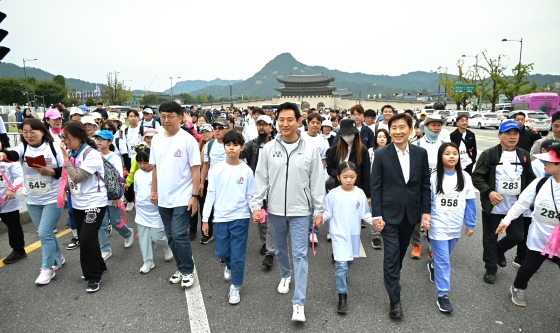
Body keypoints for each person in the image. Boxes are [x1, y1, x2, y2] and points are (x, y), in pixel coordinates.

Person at [251, 102, 325, 322]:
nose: (284, 124)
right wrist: (256, 206)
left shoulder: (310, 149)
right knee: (280, 250)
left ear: (298, 121)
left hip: (301, 210)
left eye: (289, 119)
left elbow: (317, 182)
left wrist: (318, 210)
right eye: (281, 120)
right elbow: (261, 178)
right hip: (275, 210)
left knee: (300, 255)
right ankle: (285, 274)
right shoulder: (270, 149)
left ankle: (298, 303)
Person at [370, 113, 431, 319]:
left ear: (410, 129)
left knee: (400, 254)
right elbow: (375, 187)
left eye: (402, 127)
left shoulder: (420, 154)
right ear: (389, 130)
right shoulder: (381, 155)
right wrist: (376, 215)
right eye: (393, 127)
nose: (397, 131)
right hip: (388, 215)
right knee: (391, 256)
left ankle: (393, 277)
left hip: (410, 214)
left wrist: (426, 211)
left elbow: (424, 185)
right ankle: (394, 300)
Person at [472, 120, 536, 285]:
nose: (512, 137)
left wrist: (530, 197)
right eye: (508, 133)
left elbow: (530, 179)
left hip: (515, 206)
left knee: (518, 235)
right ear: (499, 135)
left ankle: (499, 251)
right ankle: (491, 268)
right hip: (493, 205)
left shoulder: (523, 154)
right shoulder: (490, 154)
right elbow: (477, 176)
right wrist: (489, 192)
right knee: (490, 237)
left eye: (515, 134)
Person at [495, 145, 560, 307]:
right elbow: (522, 203)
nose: (543, 162)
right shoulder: (540, 183)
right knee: (528, 268)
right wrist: (506, 221)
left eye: (549, 161)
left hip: (558, 241)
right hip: (540, 238)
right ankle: (517, 288)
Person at [2, 118, 65, 284]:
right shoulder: (23, 147)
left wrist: (49, 171)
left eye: (32, 131)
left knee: (44, 233)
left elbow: (65, 169)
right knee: (47, 232)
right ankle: (58, 257)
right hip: (32, 198)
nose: (29, 135)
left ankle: (47, 268)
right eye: (25, 132)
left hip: (52, 197)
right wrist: (4, 154)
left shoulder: (54, 147)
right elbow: (12, 154)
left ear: (42, 131)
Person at [149, 101, 200, 289]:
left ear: (180, 117)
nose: (166, 120)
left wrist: (194, 195)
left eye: (170, 116)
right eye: (162, 116)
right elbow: (155, 167)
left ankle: (188, 270)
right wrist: (153, 191)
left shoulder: (188, 140)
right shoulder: (156, 139)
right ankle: (181, 268)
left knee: (179, 234)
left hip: (183, 195)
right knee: (170, 236)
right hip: (164, 197)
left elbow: (196, 170)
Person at [202, 130, 254, 305]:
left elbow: (250, 196)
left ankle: (236, 286)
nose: (231, 148)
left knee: (238, 253)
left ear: (241, 147)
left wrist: (255, 211)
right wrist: (205, 219)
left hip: (240, 217)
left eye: (235, 145)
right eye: (228, 145)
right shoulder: (217, 169)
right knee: (222, 251)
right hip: (220, 218)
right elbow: (211, 194)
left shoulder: (246, 171)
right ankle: (230, 265)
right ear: (224, 147)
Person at [426, 143, 476, 313]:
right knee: (444, 261)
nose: (452, 156)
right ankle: (443, 295)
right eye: (447, 153)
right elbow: (427, 200)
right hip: (437, 225)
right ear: (441, 157)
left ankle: (433, 266)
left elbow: (470, 201)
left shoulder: (465, 177)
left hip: (455, 225)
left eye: (455, 153)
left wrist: (470, 223)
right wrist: (424, 218)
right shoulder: (434, 177)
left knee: (445, 256)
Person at [60, 121, 108, 293]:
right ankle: (99, 265)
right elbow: (69, 180)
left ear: (78, 137)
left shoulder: (92, 154)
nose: (63, 140)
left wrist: (66, 161)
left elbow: (78, 176)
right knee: (86, 237)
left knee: (87, 239)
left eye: (66, 137)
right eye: (62, 137)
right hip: (79, 202)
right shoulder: (73, 153)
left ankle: (93, 276)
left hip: (95, 203)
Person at [323, 161, 373, 313]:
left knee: (349, 261)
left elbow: (365, 214)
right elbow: (327, 212)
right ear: (338, 177)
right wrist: (319, 219)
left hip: (354, 234)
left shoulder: (360, 193)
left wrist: (377, 223)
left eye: (352, 176)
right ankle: (342, 295)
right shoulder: (333, 194)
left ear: (356, 176)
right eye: (345, 177)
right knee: (341, 265)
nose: (349, 180)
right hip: (338, 234)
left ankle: (342, 276)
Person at [239, 115, 275, 267]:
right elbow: (239, 155)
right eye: (259, 124)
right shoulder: (252, 145)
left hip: (274, 187)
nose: (261, 127)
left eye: (264, 125)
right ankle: (265, 242)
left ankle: (270, 251)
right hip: (258, 188)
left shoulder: (277, 145)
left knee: (272, 221)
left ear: (270, 128)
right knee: (261, 220)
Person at [93, 130, 134, 261]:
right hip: (99, 196)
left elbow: (119, 177)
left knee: (116, 222)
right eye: (97, 139)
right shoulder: (94, 155)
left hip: (113, 196)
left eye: (102, 139)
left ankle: (128, 233)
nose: (99, 141)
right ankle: (105, 248)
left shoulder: (115, 157)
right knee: (102, 224)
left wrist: (117, 197)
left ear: (110, 142)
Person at [326, 118, 371, 232]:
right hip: (338, 189)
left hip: (355, 189)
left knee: (353, 221)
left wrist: (368, 194)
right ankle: (336, 243)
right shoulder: (334, 150)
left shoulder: (362, 150)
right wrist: (340, 175)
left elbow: (366, 172)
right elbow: (329, 167)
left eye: (350, 133)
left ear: (355, 134)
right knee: (338, 218)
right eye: (345, 134)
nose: (347, 136)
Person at [133, 148, 173, 273]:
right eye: (140, 163)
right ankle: (148, 261)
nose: (143, 166)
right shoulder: (137, 173)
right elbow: (136, 190)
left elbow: (166, 192)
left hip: (156, 211)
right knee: (144, 239)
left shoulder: (159, 173)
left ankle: (166, 246)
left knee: (157, 237)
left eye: (146, 162)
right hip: (141, 211)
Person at [198, 118, 229, 244]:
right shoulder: (209, 145)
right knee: (212, 211)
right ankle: (213, 235)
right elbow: (206, 165)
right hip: (212, 183)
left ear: (227, 129)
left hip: (227, 185)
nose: (217, 131)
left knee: (225, 214)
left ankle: (226, 242)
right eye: (215, 128)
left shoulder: (231, 144)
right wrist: (201, 182)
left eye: (220, 128)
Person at [301, 113, 329, 244]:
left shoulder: (323, 141)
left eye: (318, 123)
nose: (315, 125)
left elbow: (324, 158)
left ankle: (312, 232)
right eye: (313, 122)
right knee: (302, 204)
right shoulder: (300, 137)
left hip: (317, 177)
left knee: (315, 204)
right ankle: (301, 229)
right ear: (307, 123)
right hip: (301, 175)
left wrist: (318, 170)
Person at [0, 141, 26, 264]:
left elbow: (20, 177)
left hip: (7, 200)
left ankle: (18, 250)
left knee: (13, 225)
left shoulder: (10, 162)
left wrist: (12, 189)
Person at [368, 128, 391, 249]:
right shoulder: (370, 151)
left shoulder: (393, 152)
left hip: (389, 185)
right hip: (375, 184)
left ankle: (385, 230)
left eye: (384, 137)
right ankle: (376, 236)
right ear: (375, 139)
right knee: (375, 210)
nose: (382, 139)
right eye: (379, 136)